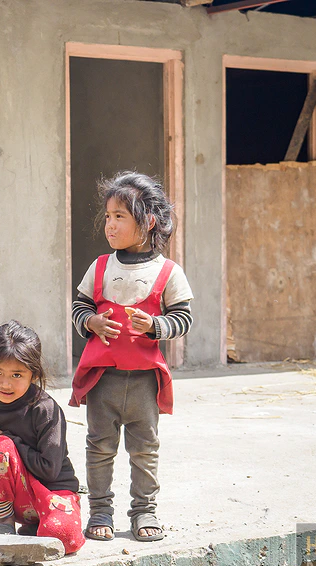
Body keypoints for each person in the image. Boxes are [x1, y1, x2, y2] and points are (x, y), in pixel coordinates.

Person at [70, 171, 193, 543]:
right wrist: (91, 321)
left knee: (144, 450)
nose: (110, 224)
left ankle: (144, 511)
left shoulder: (169, 272)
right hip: (102, 379)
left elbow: (183, 319)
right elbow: (78, 307)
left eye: (120, 216)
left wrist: (155, 325)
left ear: (149, 221)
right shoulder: (101, 267)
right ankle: (100, 511)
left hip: (143, 381)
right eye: (108, 216)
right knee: (99, 447)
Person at [0, 321, 85, 554]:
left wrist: (10, 439)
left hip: (54, 492)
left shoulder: (46, 410)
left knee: (62, 538)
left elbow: (49, 470)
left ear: (33, 374)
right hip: (16, 503)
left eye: (17, 374)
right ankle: (5, 525)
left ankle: (38, 526)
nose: (5, 383)